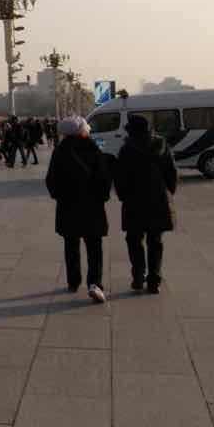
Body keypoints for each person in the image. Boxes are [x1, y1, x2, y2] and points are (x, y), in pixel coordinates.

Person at [45, 116, 112, 303]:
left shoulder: (60, 152)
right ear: (82, 131)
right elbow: (104, 178)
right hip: (93, 206)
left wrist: (60, 196)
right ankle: (95, 283)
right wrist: (102, 197)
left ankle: (73, 281)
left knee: (71, 245)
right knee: (94, 247)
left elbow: (51, 180)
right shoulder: (93, 149)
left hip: (68, 206)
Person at [114, 115, 177, 294]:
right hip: (158, 198)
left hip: (134, 201)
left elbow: (120, 177)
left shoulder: (127, 149)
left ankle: (138, 276)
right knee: (155, 240)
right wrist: (168, 192)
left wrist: (123, 196)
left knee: (134, 239)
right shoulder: (161, 145)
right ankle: (154, 281)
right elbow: (171, 172)